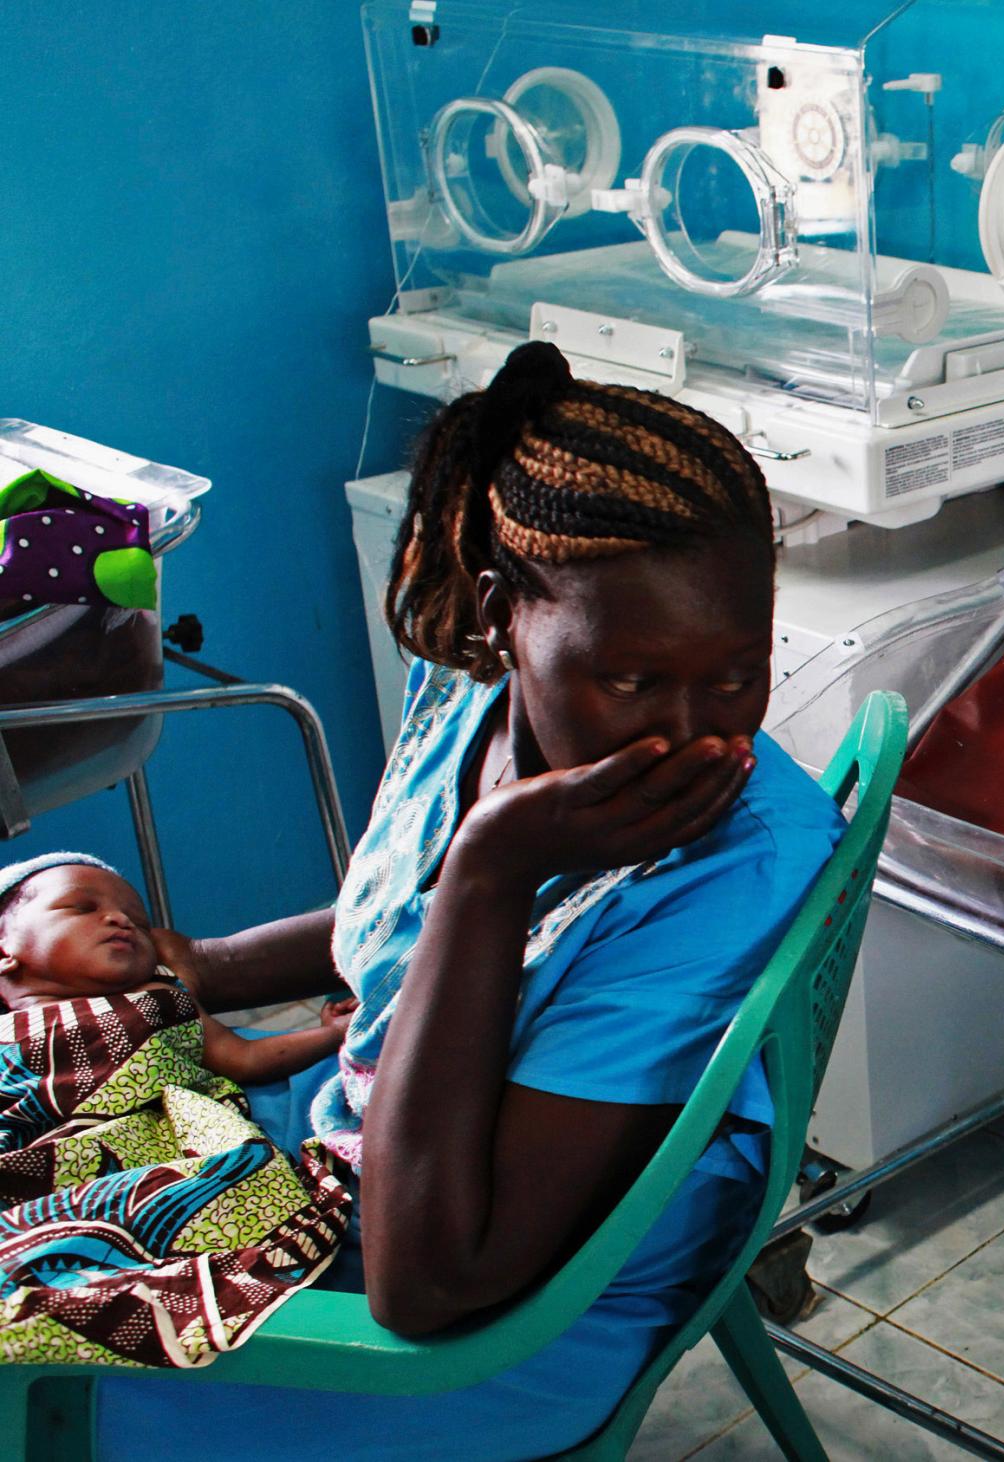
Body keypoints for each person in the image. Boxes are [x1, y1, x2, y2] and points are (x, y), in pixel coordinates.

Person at [95, 341, 843, 1459]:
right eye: (632, 679)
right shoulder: (465, 687)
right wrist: (205, 964)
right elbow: (397, 924)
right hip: (354, 1161)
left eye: (737, 672)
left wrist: (492, 870)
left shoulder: (724, 860)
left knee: (42, 1370)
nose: (694, 735)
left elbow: (430, 1287)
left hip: (487, 1328)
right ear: (502, 619)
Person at [0, 851, 351, 1083]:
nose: (121, 919)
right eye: (81, 908)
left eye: (139, 922)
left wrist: (332, 1034)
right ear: (5, 955)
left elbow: (245, 1057)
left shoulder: (160, 1000)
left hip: (168, 1179)